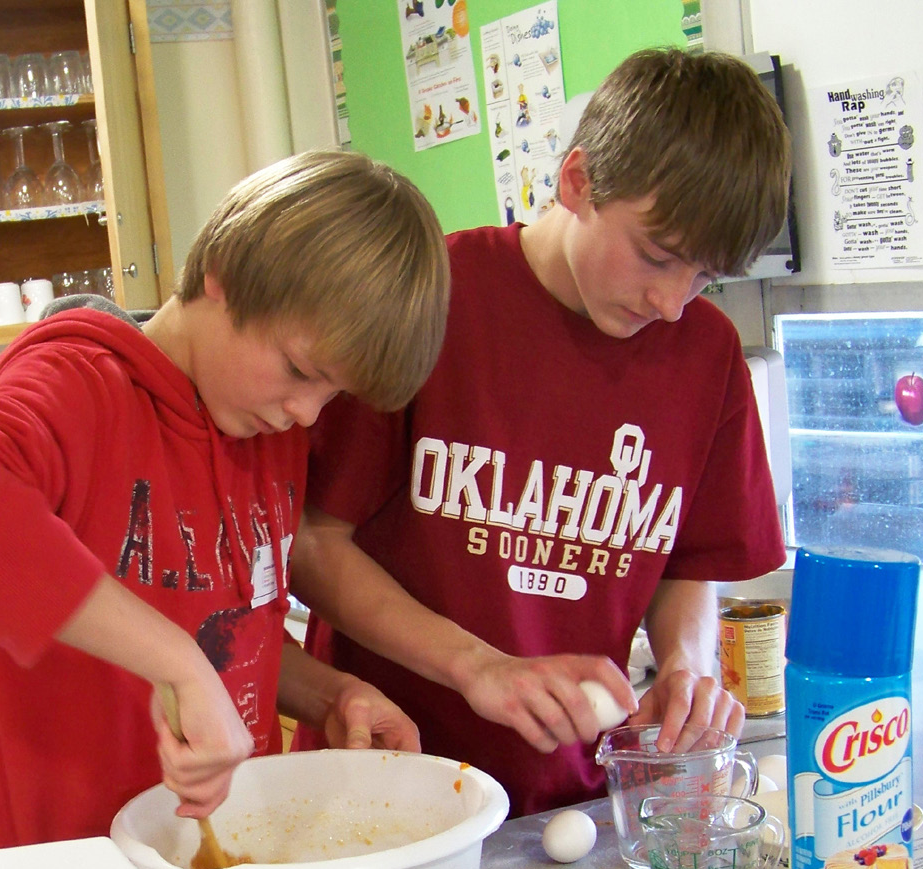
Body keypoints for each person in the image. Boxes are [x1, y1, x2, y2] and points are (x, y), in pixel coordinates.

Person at [287, 48, 792, 817]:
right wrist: (478, 666)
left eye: (703, 278)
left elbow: (691, 561)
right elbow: (311, 542)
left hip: (573, 799)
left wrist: (685, 666)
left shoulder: (707, 353)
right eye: (655, 256)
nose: (669, 302)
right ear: (577, 181)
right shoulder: (430, 299)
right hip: (381, 784)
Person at [0, 149, 449, 853]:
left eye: (332, 392)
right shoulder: (79, 385)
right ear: (221, 277)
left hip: (209, 863)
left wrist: (332, 695)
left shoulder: (261, 426)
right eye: (300, 371)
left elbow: (231, 634)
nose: (307, 413)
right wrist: (176, 660)